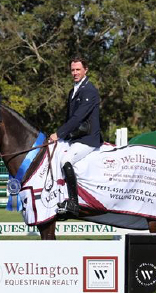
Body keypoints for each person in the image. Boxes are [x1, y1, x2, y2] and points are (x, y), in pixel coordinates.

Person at [49, 57, 102, 217]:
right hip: (74, 137)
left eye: (78, 69)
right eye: (72, 70)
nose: (75, 73)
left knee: (65, 160)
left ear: (85, 70)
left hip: (87, 138)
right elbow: (69, 118)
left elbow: (78, 118)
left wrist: (59, 134)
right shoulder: (73, 91)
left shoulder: (89, 90)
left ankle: (73, 202)